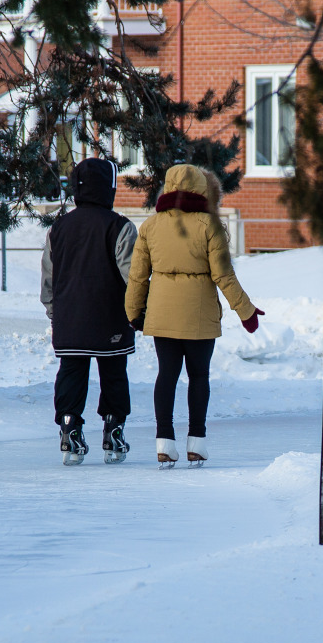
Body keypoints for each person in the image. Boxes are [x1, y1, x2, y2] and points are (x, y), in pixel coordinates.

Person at [125, 164, 263, 466]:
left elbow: (138, 277)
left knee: (167, 375)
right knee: (199, 376)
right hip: (199, 315)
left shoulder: (150, 226)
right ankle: (196, 443)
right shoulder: (208, 226)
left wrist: (134, 312)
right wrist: (246, 311)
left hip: (162, 315)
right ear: (201, 190)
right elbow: (224, 275)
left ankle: (164, 442)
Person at [41, 158, 138, 465]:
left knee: (71, 372)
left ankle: (69, 429)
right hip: (111, 317)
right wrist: (138, 310)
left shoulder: (58, 228)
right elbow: (131, 275)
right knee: (113, 373)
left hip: (70, 317)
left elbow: (48, 275)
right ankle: (114, 431)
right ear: (110, 189)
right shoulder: (120, 227)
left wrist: (54, 311)